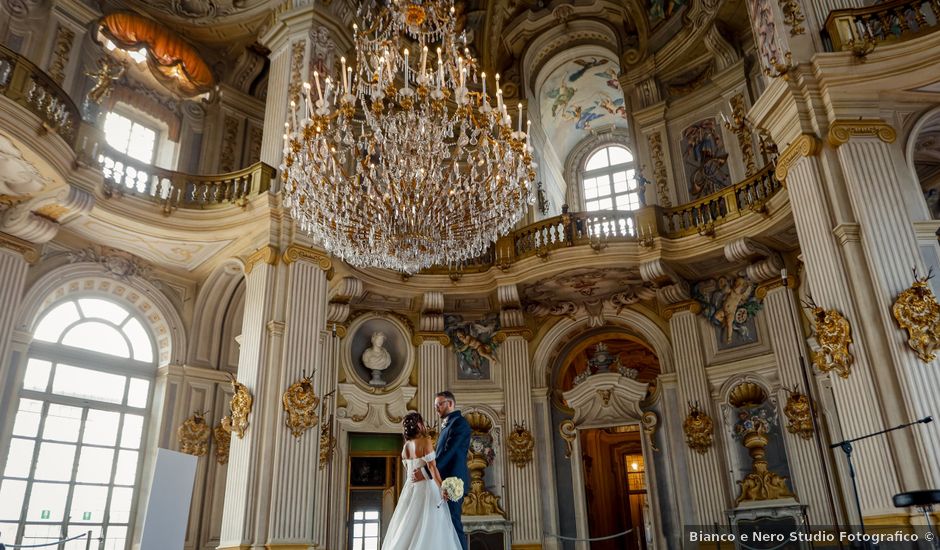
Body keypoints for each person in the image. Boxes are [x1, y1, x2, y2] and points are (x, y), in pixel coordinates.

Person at [381, 411, 462, 550]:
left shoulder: (406, 446)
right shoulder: (425, 441)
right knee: (431, 524)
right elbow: (433, 468)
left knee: (408, 524)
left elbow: (409, 471)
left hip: (410, 489)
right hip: (426, 489)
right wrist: (442, 488)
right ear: (419, 424)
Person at [434, 391, 471, 550]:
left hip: (452, 481)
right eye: (435, 406)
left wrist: (429, 472)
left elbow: (448, 452)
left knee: (454, 524)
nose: (437, 409)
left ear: (450, 403)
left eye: (439, 404)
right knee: (445, 525)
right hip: (443, 481)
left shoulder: (458, 423)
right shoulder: (448, 423)